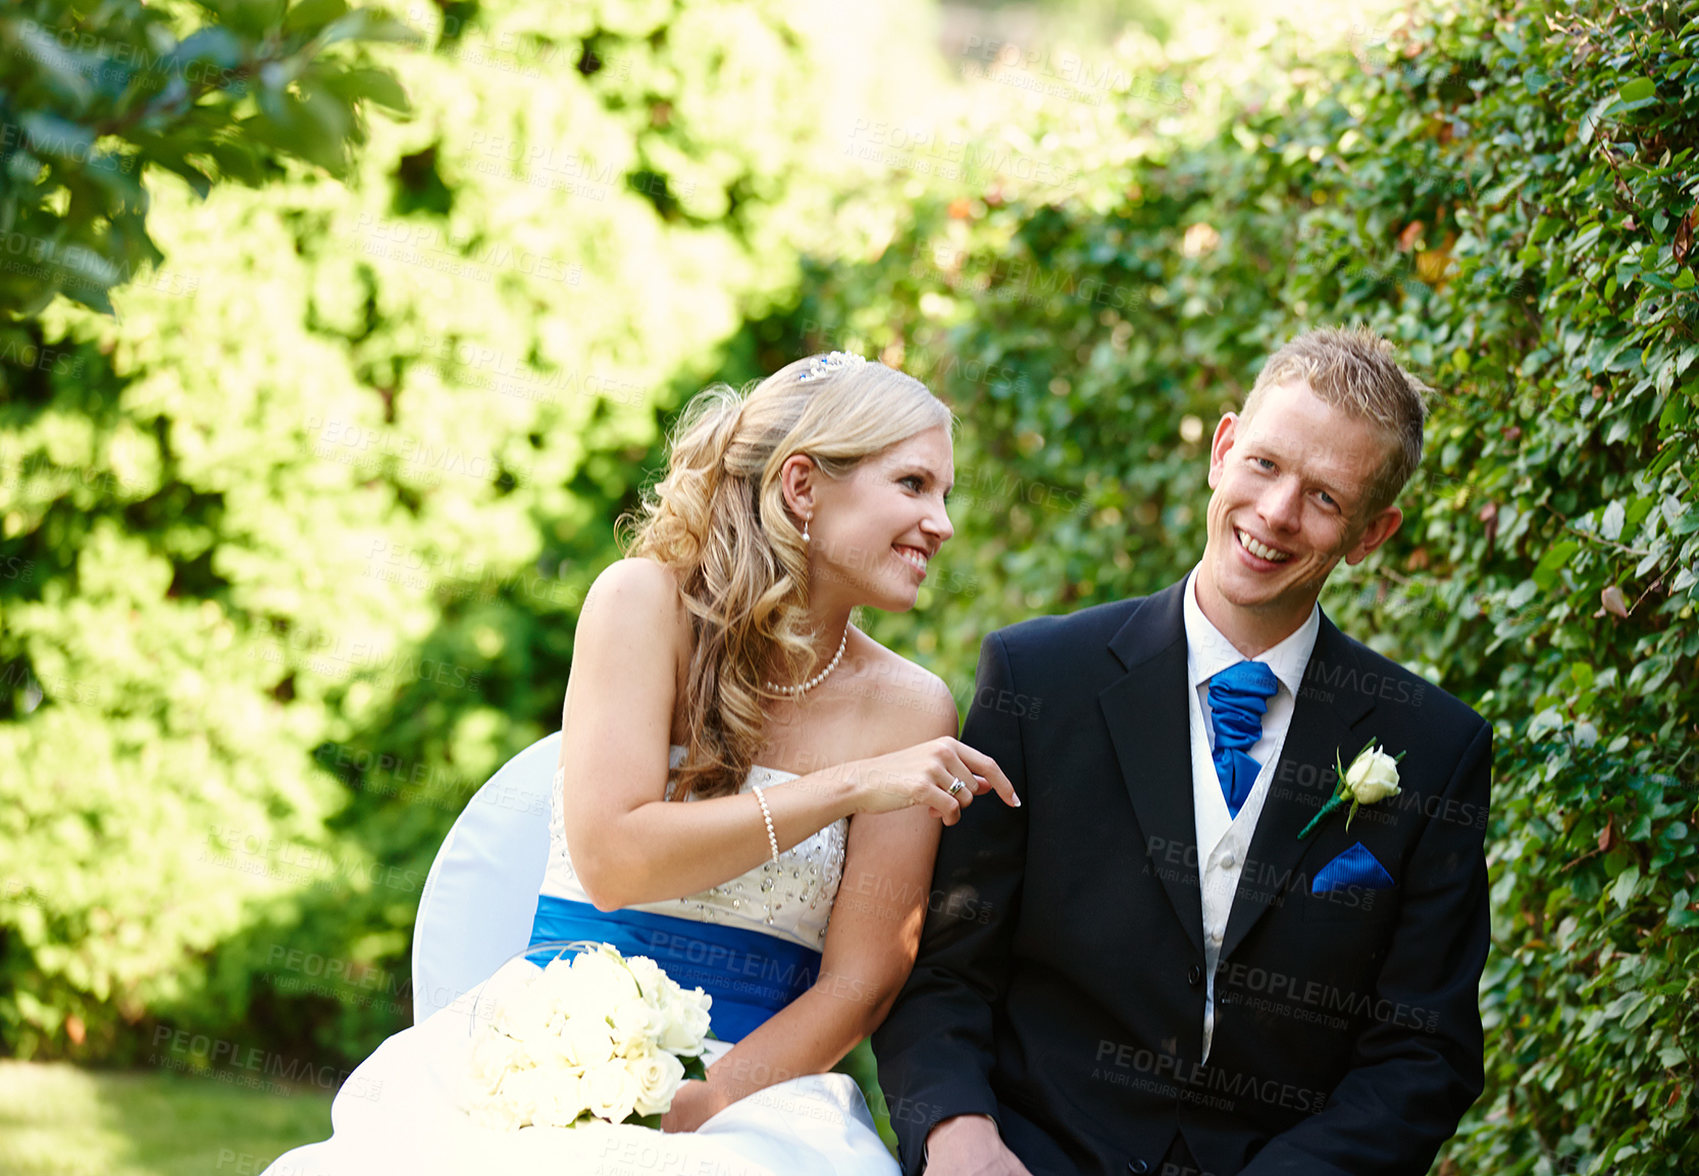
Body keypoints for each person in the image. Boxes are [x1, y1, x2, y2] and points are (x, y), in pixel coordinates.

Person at [264, 351, 1018, 1176]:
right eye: (913, 485)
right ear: (802, 485)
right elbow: (616, 863)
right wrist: (844, 787)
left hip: (762, 1096)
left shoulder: (912, 708)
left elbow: (861, 983)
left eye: (944, 494)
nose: (941, 523)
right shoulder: (641, 605)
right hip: (541, 1059)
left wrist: (705, 1100)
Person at [874, 327, 1493, 1176]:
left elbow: (1423, 1053)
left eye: (1323, 498)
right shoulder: (1037, 679)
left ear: (1370, 533)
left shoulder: (1434, 746)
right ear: (1222, 448)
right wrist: (957, 1134)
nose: (1275, 513)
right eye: (1266, 465)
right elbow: (942, 967)